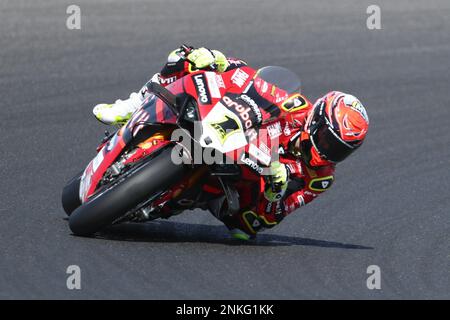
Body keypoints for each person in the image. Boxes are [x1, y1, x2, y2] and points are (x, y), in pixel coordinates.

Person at [92, 45, 369, 240]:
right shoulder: (296, 108)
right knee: (185, 56)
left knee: (245, 232)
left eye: (340, 151)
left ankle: (176, 195)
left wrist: (275, 192)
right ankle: (137, 103)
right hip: (233, 139)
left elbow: (271, 219)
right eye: (328, 141)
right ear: (316, 120)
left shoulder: (318, 179)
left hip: (239, 189)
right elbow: (254, 83)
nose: (329, 152)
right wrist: (223, 62)